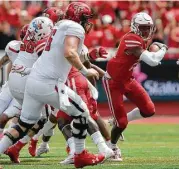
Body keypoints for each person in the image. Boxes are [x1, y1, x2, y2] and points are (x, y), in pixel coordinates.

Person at [0, 2, 105, 168]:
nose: (88, 22)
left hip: (33, 82)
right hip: (48, 82)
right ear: (79, 18)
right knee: (82, 112)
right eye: (85, 18)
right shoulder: (73, 28)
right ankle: (80, 155)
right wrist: (86, 71)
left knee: (24, 124)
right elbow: (70, 52)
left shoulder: (60, 25)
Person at [102, 12, 168, 161]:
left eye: (147, 28)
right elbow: (152, 61)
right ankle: (112, 147)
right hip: (113, 82)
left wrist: (156, 49)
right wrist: (163, 48)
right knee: (122, 123)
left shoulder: (141, 39)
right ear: (135, 27)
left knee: (149, 110)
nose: (145, 31)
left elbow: (149, 57)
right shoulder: (131, 38)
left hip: (128, 79)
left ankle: (117, 121)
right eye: (142, 28)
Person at [0, 24, 28, 138]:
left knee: (6, 117)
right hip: (11, 86)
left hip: (25, 91)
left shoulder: (40, 52)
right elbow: (4, 61)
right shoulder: (13, 47)